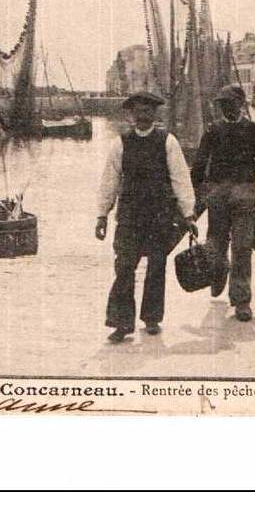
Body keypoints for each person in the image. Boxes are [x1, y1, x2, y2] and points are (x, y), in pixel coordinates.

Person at [96, 91, 198, 343]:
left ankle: (151, 318)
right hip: (129, 216)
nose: (143, 116)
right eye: (139, 111)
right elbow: (109, 182)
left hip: (159, 216)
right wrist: (102, 215)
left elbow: (180, 179)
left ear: (155, 114)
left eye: (148, 111)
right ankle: (122, 323)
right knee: (124, 267)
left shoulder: (168, 142)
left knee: (156, 266)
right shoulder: (120, 144)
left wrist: (188, 213)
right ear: (131, 114)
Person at [192, 85, 255, 323]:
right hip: (217, 192)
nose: (226, 108)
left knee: (242, 245)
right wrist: (195, 193)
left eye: (230, 103)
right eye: (223, 104)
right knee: (216, 244)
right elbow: (199, 163)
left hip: (244, 192)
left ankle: (241, 300)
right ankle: (219, 271)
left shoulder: (252, 130)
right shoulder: (213, 130)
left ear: (241, 103)